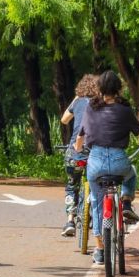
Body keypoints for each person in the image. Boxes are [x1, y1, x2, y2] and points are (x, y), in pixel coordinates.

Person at [74, 71, 139, 264]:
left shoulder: (90, 109)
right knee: (131, 173)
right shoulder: (124, 109)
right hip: (119, 161)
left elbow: (80, 136)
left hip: (95, 162)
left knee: (96, 201)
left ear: (100, 89)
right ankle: (126, 203)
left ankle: (100, 250)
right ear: (118, 88)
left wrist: (77, 148)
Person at [59, 74, 98, 237]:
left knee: (71, 185)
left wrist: (76, 98)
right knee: (99, 184)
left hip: (76, 150)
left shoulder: (77, 101)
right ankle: (97, 218)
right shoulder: (100, 103)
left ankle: (70, 220)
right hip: (95, 151)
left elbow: (64, 120)